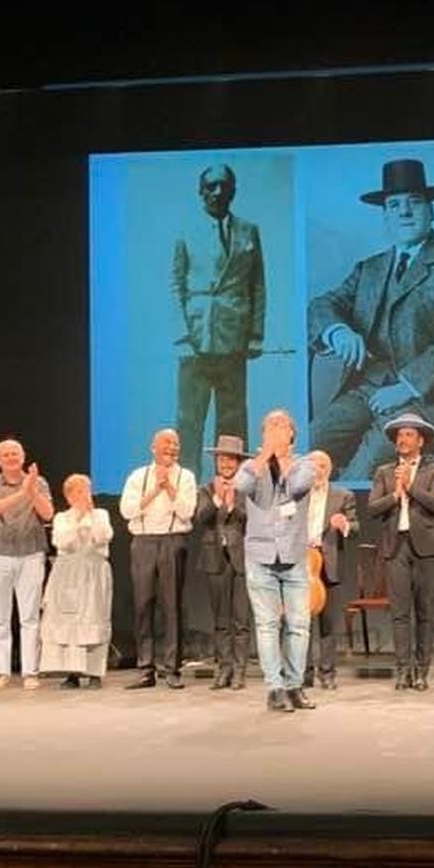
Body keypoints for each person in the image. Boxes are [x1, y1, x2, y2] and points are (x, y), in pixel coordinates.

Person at [308, 158, 434, 479]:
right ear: (386, 216)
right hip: (366, 389)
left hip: (423, 397)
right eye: (394, 205)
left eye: (415, 202)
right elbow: (321, 305)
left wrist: (407, 387)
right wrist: (339, 331)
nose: (405, 212)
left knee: (360, 474)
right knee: (308, 446)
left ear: (431, 211)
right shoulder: (369, 268)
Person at [172, 164, 265, 474]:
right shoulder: (185, 230)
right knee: (189, 419)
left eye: (224, 186)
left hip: (234, 339)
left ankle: (233, 488)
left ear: (233, 190)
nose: (217, 192)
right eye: (210, 186)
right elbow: (174, 284)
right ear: (200, 192)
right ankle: (186, 486)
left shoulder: (249, 230)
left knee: (233, 419)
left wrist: (256, 334)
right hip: (196, 339)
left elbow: (257, 285)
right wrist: (182, 336)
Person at [231, 410, 318, 713]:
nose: (277, 429)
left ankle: (295, 686)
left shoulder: (305, 464)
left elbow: (296, 487)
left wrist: (280, 457)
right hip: (260, 555)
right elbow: (241, 487)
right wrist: (264, 456)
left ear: (292, 433)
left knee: (299, 625)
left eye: (282, 425)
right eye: (271, 425)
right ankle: (275, 688)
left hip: (293, 555)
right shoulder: (250, 466)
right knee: (267, 625)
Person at [366, 412, 434, 691]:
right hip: (396, 547)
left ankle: (422, 671)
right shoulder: (384, 472)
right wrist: (394, 495)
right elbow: (372, 508)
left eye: (409, 434)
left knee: (425, 612)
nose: (402, 439)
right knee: (400, 613)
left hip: (426, 548)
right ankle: (402, 670)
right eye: (399, 435)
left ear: (420, 441)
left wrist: (410, 486)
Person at [118, 428, 197, 689]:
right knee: (143, 605)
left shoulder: (186, 477)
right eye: (166, 443)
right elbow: (127, 511)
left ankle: (172, 668)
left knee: (171, 605)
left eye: (175, 443)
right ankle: (145, 668)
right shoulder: (138, 476)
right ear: (153, 447)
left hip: (173, 541)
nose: (171, 447)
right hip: (143, 543)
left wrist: (169, 487)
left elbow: (187, 511)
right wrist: (155, 489)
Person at [0, 439, 54, 690]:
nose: (11, 457)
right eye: (6, 454)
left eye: (15, 453)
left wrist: (31, 491)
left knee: (30, 616)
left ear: (23, 457)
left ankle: (30, 672)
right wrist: (21, 494)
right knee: (0, 617)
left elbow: (47, 513)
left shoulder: (38, 482)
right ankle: (1, 672)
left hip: (31, 553)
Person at [41, 474, 113, 688]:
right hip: (69, 574)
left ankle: (94, 673)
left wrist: (89, 516)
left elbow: (103, 536)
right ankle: (72, 673)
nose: (85, 495)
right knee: (69, 622)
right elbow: (64, 542)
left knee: (94, 619)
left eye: (87, 490)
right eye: (80, 491)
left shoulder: (100, 514)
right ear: (69, 496)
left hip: (94, 572)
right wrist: (79, 518)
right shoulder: (62, 518)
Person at [195, 434, 251, 690]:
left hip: (241, 559)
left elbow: (251, 519)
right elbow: (201, 518)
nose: (226, 464)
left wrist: (231, 506)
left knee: (241, 620)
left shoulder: (247, 489)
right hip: (214, 559)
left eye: (231, 459)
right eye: (222, 459)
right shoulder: (206, 489)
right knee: (220, 620)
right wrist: (218, 499)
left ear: (239, 462)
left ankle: (240, 670)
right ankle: (224, 668)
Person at [304, 449, 358, 691]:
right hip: (302, 564)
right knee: (300, 623)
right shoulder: (297, 494)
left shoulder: (342, 496)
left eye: (323, 466)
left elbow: (355, 528)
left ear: (330, 469)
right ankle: (303, 673)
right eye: (313, 466)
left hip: (329, 564)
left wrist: (344, 525)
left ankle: (327, 673)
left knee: (327, 623)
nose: (318, 471)